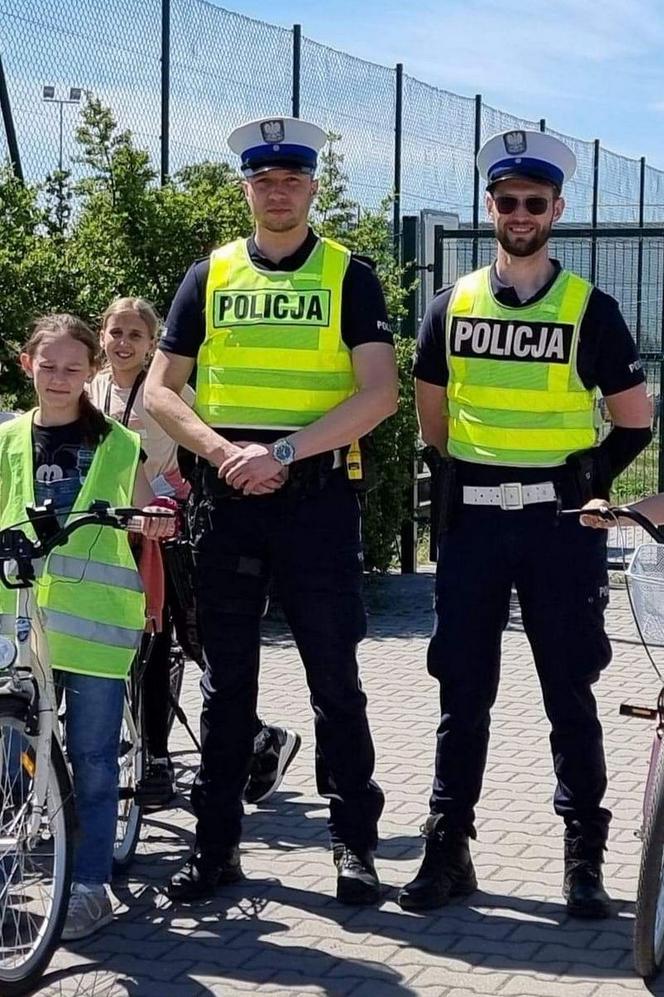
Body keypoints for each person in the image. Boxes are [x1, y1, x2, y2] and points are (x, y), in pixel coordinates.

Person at [143, 115, 398, 904]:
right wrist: (224, 455)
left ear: (313, 187)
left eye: (292, 179)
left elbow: (380, 393)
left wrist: (280, 454)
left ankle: (354, 844)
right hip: (227, 502)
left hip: (314, 500)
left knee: (336, 680)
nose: (278, 191)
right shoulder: (208, 275)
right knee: (228, 689)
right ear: (247, 189)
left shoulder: (349, 275)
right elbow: (160, 388)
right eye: (264, 180)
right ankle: (215, 847)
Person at [400, 129, 653, 919]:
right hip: (474, 527)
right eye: (506, 201)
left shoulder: (590, 310)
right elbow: (432, 420)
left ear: (556, 210)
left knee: (568, 693)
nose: (519, 213)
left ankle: (584, 856)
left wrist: (590, 481)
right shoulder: (453, 304)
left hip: (561, 529)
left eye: (533, 203)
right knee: (461, 692)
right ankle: (449, 848)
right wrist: (469, 481)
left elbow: (635, 419)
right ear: (491, 208)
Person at [0, 314, 173, 940]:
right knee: (8, 752)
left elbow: (152, 500)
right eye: (48, 366)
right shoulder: (6, 437)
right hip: (19, 619)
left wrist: (156, 516)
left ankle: (90, 886)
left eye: (73, 368)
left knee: (93, 759)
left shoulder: (120, 445)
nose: (59, 378)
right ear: (28, 365)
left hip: (95, 627)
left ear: (91, 372)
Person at [90, 297, 300, 807]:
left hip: (164, 529)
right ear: (101, 337)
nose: (124, 343)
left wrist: (188, 486)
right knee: (142, 643)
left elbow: (205, 435)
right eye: (116, 332)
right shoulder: (93, 387)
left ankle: (239, 739)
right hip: (113, 528)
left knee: (184, 639)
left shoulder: (171, 389)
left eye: (136, 336)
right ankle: (197, 745)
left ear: (152, 344)